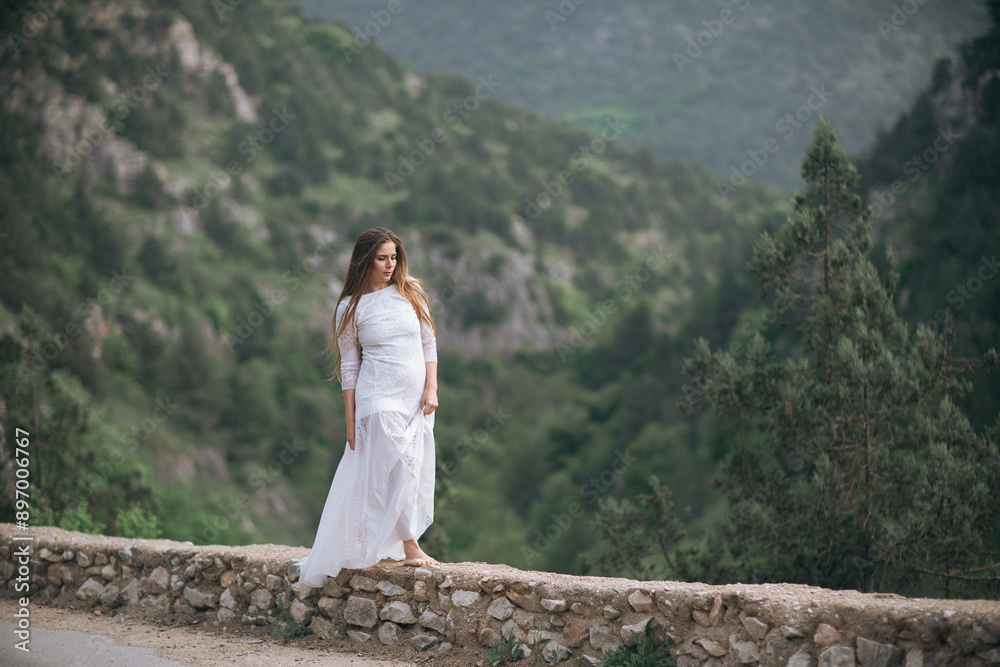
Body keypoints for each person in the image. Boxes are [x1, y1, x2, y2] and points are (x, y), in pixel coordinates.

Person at [297, 227, 441, 587]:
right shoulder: (351, 306)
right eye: (382, 258)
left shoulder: (413, 292)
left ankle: (364, 544)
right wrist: (350, 419)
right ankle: (411, 546)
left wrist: (432, 388)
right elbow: (349, 365)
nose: (390, 264)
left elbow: (428, 344)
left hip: (415, 398)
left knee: (401, 468)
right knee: (402, 463)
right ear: (365, 260)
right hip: (376, 398)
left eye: (394, 257)